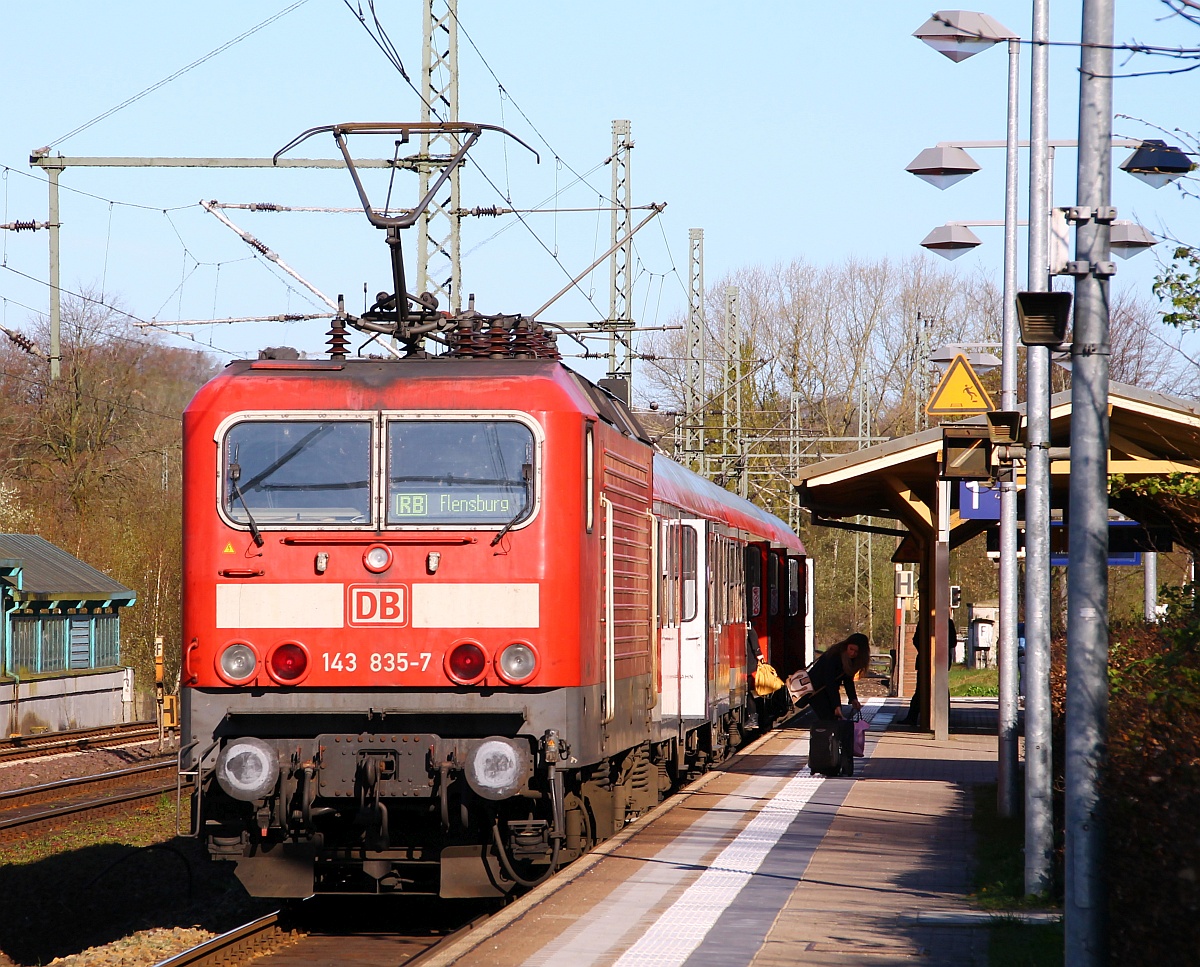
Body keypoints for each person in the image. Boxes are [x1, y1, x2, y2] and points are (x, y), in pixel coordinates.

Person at [805, 633, 870, 720]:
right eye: (851, 649)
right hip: (817, 689)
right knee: (828, 718)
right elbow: (829, 680)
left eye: (856, 652)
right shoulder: (834, 655)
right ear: (846, 646)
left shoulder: (851, 660)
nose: (852, 653)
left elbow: (848, 680)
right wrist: (836, 705)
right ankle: (821, 732)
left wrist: (853, 698)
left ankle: (828, 731)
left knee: (833, 718)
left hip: (827, 689)